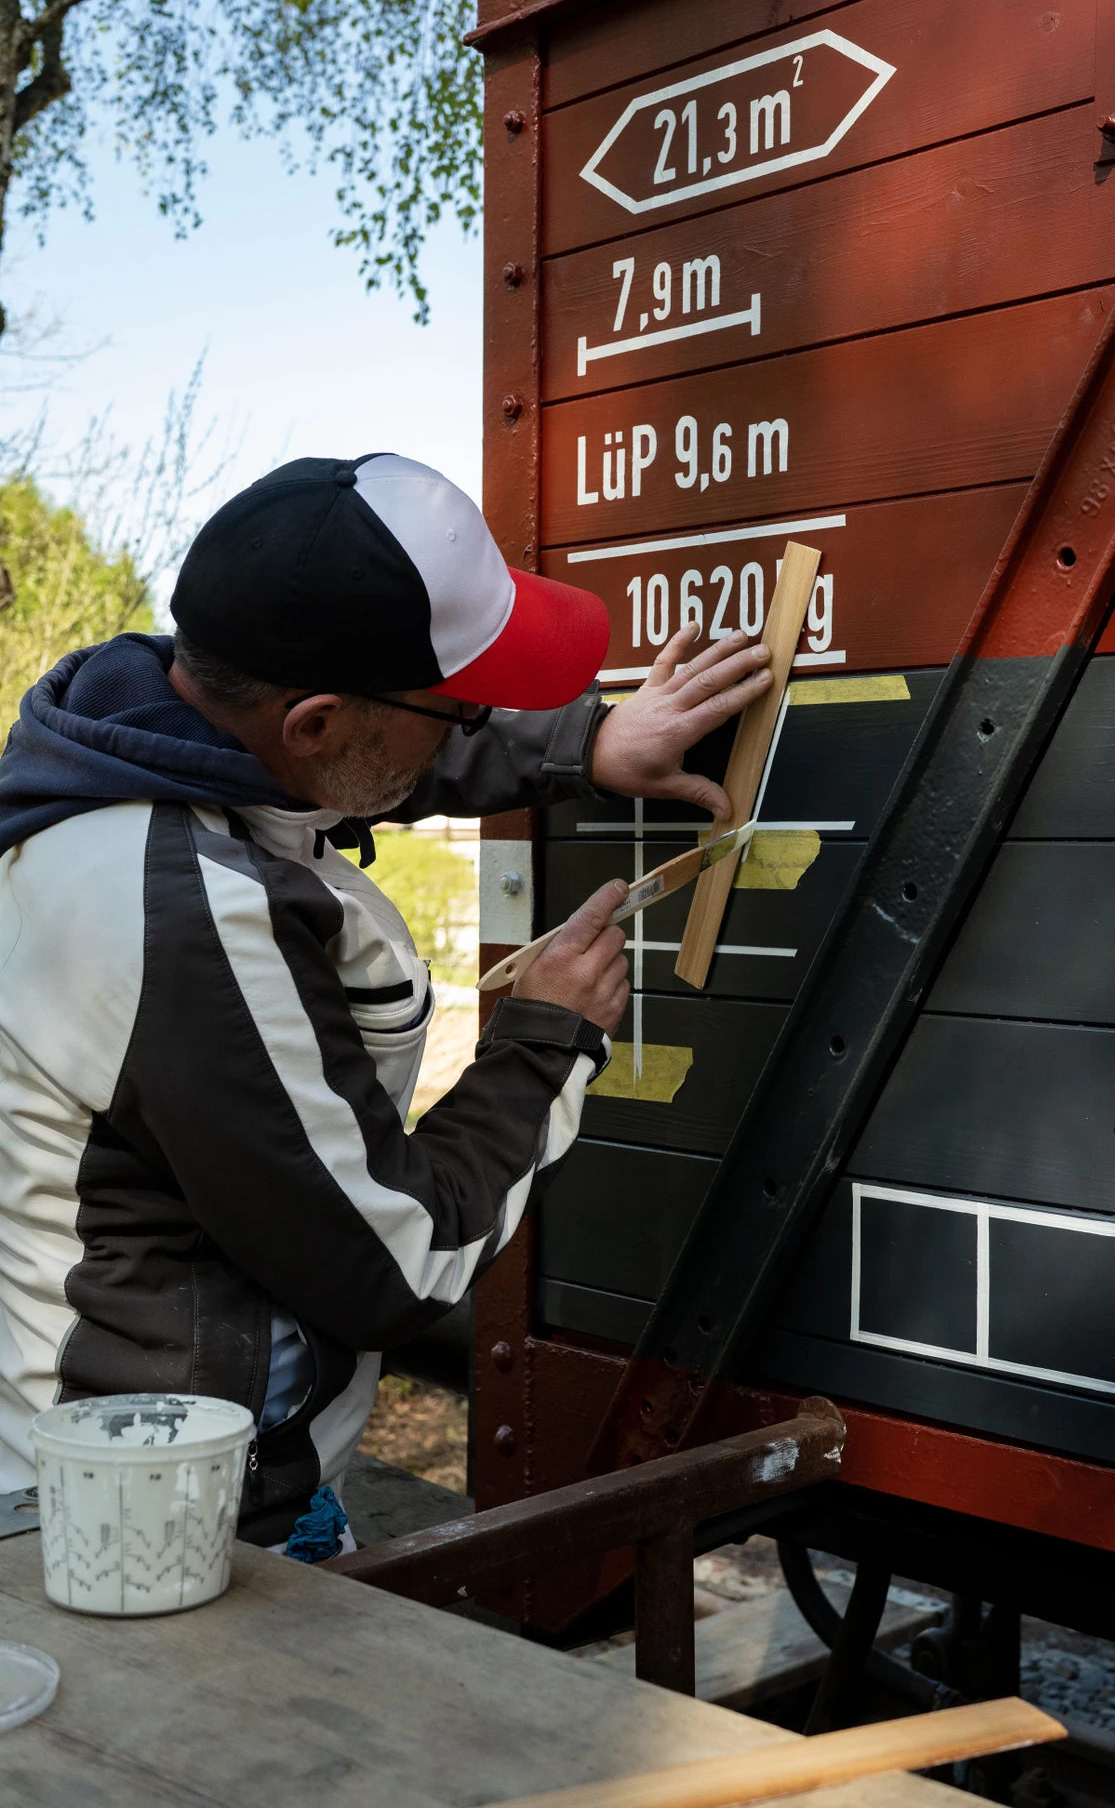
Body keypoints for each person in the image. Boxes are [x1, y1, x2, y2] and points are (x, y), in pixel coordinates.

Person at [0, 453, 771, 1548]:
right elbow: (392, 1262)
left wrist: (586, 744)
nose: (472, 723)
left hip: (151, 1451)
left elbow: (337, 766)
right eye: (461, 705)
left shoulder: (111, 745)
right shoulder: (190, 925)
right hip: (155, 1512)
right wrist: (546, 1041)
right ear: (314, 720)